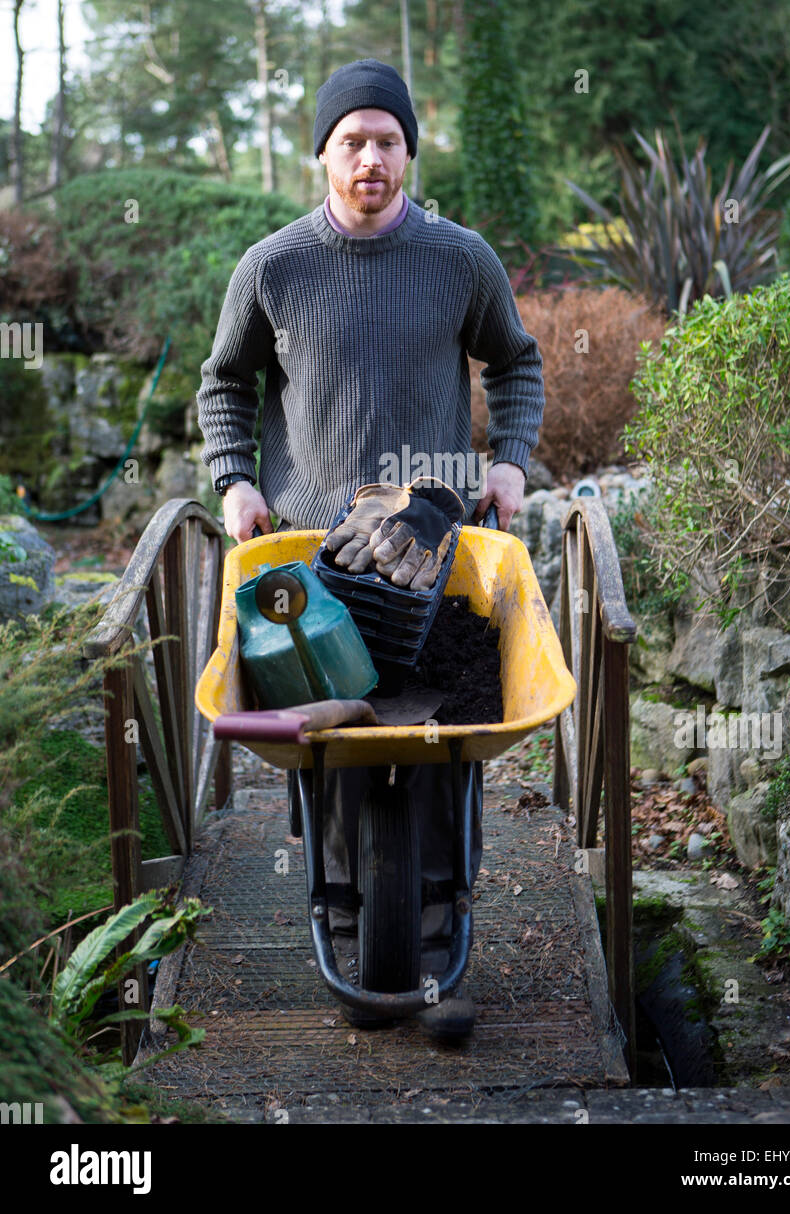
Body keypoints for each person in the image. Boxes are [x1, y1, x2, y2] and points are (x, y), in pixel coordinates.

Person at [196, 57, 544, 1038]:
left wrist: (510, 461)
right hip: (312, 542)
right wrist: (233, 479)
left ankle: (435, 900)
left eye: (386, 140)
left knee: (435, 728)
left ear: (407, 151)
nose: (370, 158)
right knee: (332, 721)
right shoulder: (272, 267)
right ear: (323, 154)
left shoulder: (456, 258)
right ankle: (343, 893)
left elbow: (514, 361)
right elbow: (225, 383)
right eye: (350, 140)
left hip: (432, 535)